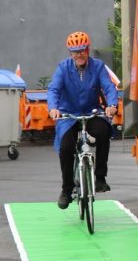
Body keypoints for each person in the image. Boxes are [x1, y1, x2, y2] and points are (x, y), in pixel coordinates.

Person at [47, 30, 119, 208]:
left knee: (103, 132)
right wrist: (53, 108)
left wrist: (112, 105)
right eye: (75, 51)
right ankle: (66, 190)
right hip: (68, 114)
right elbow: (54, 89)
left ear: (88, 50)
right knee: (66, 148)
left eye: (82, 50)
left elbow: (109, 87)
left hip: (91, 111)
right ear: (70, 53)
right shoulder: (63, 68)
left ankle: (100, 177)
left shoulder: (98, 67)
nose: (79, 54)